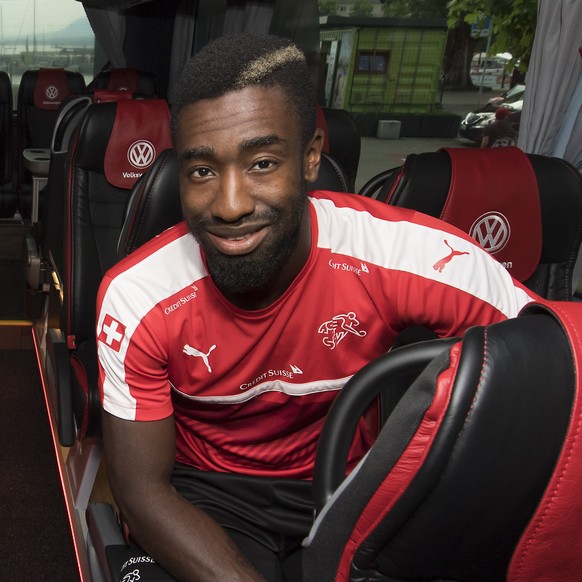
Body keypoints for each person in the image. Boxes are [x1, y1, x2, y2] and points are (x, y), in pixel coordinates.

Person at [96, 33, 538, 582]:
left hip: (349, 481)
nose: (230, 205)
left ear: (310, 157)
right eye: (203, 171)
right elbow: (141, 493)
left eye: (261, 163)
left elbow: (557, 355)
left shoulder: (399, 254)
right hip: (209, 494)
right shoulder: (139, 295)